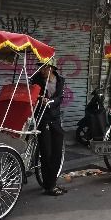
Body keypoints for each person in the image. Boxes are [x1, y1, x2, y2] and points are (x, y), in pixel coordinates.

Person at [31, 63, 67, 195]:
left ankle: (52, 182)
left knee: (57, 151)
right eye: (40, 67)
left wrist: (52, 102)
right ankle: (49, 186)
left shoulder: (60, 80)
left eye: (44, 68)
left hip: (55, 118)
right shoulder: (36, 79)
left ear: (51, 68)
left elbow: (60, 98)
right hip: (42, 118)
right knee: (46, 152)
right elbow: (32, 94)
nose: (41, 70)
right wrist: (41, 99)